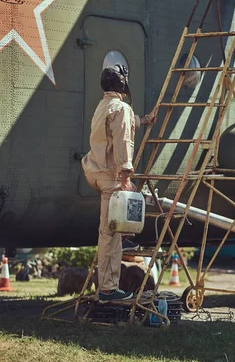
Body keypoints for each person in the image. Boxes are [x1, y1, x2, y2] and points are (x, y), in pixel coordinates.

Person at [81, 64, 156, 303]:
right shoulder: (121, 107)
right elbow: (123, 139)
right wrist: (126, 176)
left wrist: (144, 120)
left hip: (94, 171)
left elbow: (123, 124)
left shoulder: (104, 106)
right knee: (110, 234)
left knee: (110, 231)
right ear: (122, 84)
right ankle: (108, 290)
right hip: (110, 176)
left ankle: (108, 283)